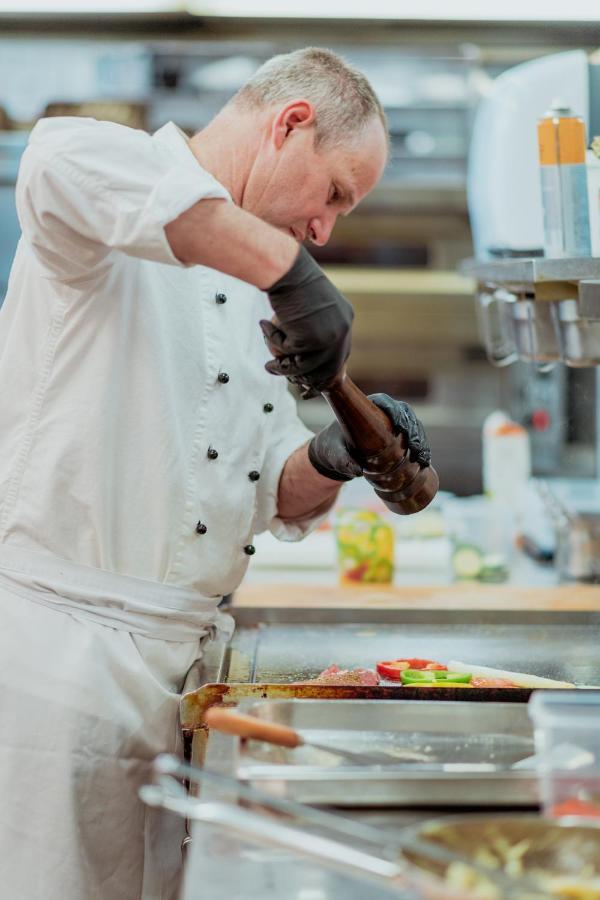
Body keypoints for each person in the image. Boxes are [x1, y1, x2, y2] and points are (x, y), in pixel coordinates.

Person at [0, 47, 430, 899]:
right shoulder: (108, 201)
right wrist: (292, 275)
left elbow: (263, 486)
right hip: (63, 670)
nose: (323, 232)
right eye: (336, 193)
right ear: (290, 124)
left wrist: (333, 457)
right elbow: (52, 156)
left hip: (182, 683)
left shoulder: (252, 286)